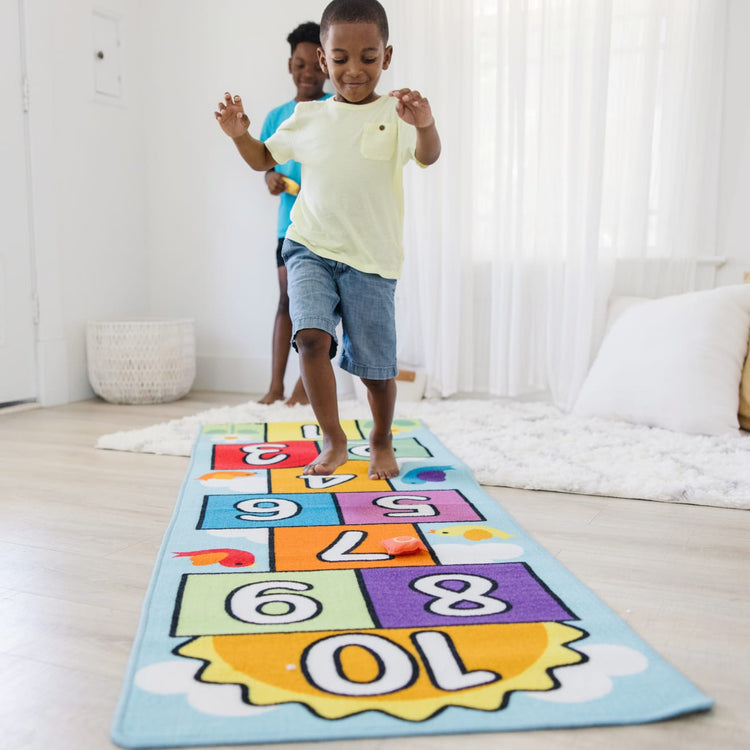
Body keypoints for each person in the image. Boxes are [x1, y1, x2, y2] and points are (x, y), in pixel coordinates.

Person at [215, 0, 441, 479]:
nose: (354, 70)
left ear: (387, 56)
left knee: (376, 370)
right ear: (323, 59)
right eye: (340, 60)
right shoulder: (307, 116)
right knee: (312, 339)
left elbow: (428, 156)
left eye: (368, 58)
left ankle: (380, 438)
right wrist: (240, 135)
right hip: (309, 246)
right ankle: (334, 438)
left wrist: (425, 124)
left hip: (372, 261)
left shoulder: (397, 113)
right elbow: (263, 158)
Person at [258, 22, 330, 406]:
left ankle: (305, 390)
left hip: (326, 227)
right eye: (299, 65)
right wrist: (271, 177)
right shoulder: (276, 117)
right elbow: (268, 163)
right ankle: (275, 387)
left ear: (327, 65)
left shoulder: (336, 111)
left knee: (315, 310)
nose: (307, 74)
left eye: (315, 66)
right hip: (289, 228)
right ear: (290, 66)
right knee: (286, 301)